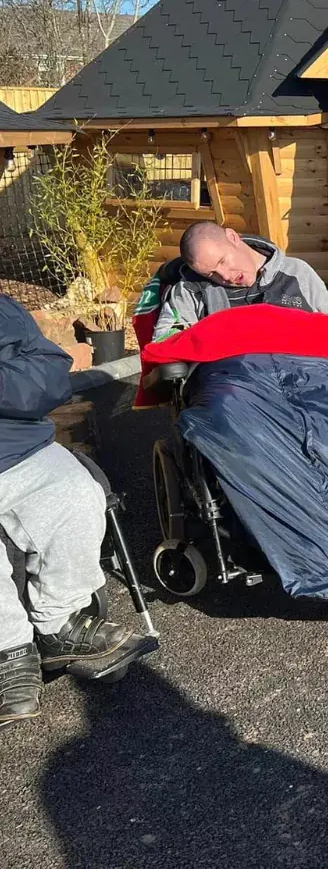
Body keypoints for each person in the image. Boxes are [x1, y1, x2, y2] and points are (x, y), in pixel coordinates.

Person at [0, 294, 152, 729]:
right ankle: (9, 648)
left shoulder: (3, 311)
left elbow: (49, 375)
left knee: (76, 495)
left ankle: (57, 622)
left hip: (15, 447)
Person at [152, 223, 328, 341]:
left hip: (306, 376)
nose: (225, 276)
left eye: (223, 261)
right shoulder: (190, 290)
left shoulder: (297, 272)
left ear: (233, 237)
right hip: (233, 384)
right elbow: (164, 341)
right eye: (211, 274)